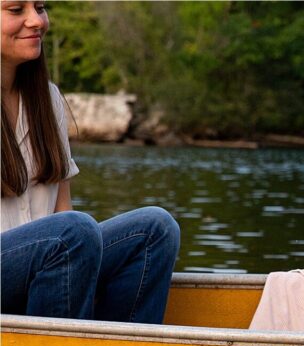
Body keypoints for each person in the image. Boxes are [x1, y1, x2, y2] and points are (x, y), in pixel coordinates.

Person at [1, 0, 179, 323]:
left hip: (50, 259)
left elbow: (62, 210)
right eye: (16, 10)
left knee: (155, 229)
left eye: (40, 7)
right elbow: (66, 230)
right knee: (73, 232)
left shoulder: (47, 99)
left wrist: (68, 266)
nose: (36, 21)